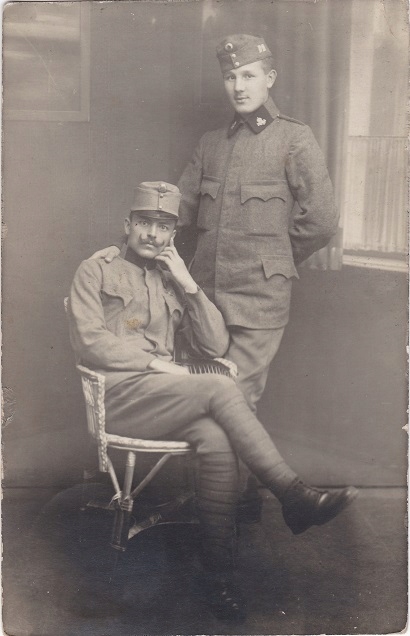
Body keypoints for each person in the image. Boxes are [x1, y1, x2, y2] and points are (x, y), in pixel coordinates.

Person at [69, 181, 357, 622]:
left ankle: (218, 578)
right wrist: (157, 365)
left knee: (217, 437)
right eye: (144, 222)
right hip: (118, 398)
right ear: (127, 225)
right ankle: (292, 494)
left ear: (172, 234)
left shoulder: (171, 279)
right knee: (221, 387)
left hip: (165, 400)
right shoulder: (96, 269)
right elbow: (90, 341)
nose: (152, 234)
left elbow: (215, 344)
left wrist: (189, 286)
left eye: (163, 226)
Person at [92, 34, 340, 520]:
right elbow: (175, 211)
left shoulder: (294, 139)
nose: (238, 86)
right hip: (202, 299)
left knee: (236, 400)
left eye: (248, 75)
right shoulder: (211, 144)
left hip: (259, 300)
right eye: (230, 77)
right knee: (216, 403)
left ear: (270, 79)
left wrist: (274, 260)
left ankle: (227, 519)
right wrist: (122, 248)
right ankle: (240, 505)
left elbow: (322, 221)